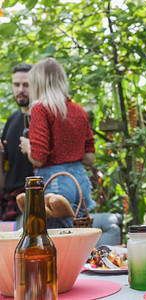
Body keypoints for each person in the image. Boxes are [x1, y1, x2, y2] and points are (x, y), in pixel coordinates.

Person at [19, 57, 96, 228]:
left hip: (55, 181)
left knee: (57, 240)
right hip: (80, 180)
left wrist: (28, 146)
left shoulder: (41, 108)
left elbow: (39, 158)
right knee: (81, 235)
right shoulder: (79, 110)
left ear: (38, 83)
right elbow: (89, 157)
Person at [0, 63, 35, 221]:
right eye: (16, 85)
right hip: (8, 201)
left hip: (31, 199)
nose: (21, 90)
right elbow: (6, 168)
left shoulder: (41, 118)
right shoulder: (12, 119)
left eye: (26, 85)